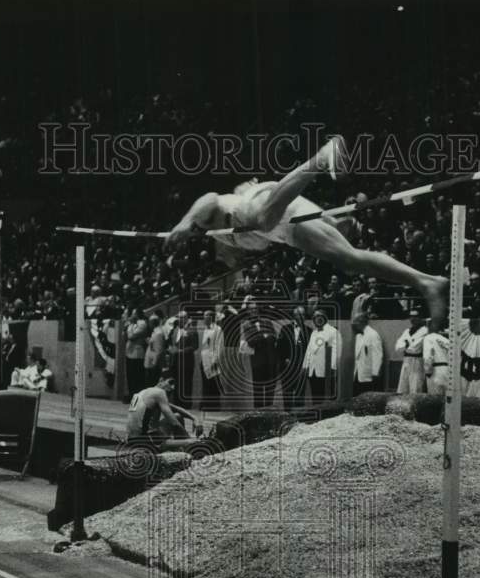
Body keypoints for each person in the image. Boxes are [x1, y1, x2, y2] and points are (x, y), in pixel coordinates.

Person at [165, 136, 449, 329]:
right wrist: (240, 252)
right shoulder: (229, 241)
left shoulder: (205, 220)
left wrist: (182, 224)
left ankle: (322, 157)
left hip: (260, 206)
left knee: (263, 220)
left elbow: (210, 197)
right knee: (350, 261)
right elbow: (257, 246)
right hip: (283, 225)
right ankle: (426, 282)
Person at [126, 375, 202, 452]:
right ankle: (186, 450)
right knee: (191, 442)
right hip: (146, 441)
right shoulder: (159, 392)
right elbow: (174, 423)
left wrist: (194, 418)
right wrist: (189, 440)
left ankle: (180, 448)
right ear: (161, 380)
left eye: (174, 385)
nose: (172, 387)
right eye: (171, 382)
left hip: (131, 439)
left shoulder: (144, 392)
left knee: (178, 416)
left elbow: (176, 408)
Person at [276, 306, 311, 410]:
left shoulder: (309, 331)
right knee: (286, 394)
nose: (300, 317)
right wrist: (285, 358)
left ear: (305, 317)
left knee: (300, 394)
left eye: (302, 315)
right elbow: (279, 347)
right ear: (294, 316)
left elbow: (310, 351)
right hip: (287, 368)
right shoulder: (285, 329)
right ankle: (287, 417)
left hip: (301, 368)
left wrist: (305, 365)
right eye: (297, 315)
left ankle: (299, 419)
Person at [302, 309, 339, 403]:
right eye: (314, 317)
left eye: (319, 316)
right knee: (315, 396)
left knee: (327, 397)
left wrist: (332, 367)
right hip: (313, 369)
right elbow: (309, 350)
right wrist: (305, 366)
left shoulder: (332, 331)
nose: (316, 319)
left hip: (325, 369)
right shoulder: (314, 332)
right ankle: (318, 417)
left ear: (324, 318)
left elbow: (335, 351)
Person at [245, 316, 278, 408]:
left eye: (255, 309)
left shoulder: (267, 321)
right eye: (251, 310)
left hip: (270, 361)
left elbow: (274, 337)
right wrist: (264, 337)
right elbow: (250, 341)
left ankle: (269, 413)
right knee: (258, 391)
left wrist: (260, 339)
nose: (253, 312)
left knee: (270, 390)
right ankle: (258, 415)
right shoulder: (247, 325)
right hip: (257, 362)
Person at [394, 310, 429, 394]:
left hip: (417, 361)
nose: (413, 319)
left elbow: (415, 348)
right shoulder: (407, 331)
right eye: (411, 316)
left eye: (415, 316)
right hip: (406, 361)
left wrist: (406, 343)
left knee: (415, 388)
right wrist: (408, 343)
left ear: (420, 318)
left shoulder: (425, 331)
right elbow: (398, 348)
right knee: (403, 388)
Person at [351, 312, 383, 396]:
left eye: (356, 322)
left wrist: (375, 372)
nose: (354, 325)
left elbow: (378, 355)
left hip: (369, 375)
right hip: (358, 373)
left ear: (362, 322)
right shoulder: (358, 336)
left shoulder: (373, 335)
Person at [198, 309, 224, 409]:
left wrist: (214, 361)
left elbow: (219, 346)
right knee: (205, 383)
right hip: (204, 360)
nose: (204, 318)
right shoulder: (205, 329)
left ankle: (214, 405)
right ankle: (206, 404)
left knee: (213, 384)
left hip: (213, 361)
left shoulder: (218, 330)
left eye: (206, 316)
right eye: (204, 316)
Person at [123, 306, 149, 400]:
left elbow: (131, 336)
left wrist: (128, 327)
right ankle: (131, 395)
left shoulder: (142, 323)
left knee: (137, 376)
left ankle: (138, 396)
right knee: (130, 375)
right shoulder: (132, 324)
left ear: (138, 314)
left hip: (137, 353)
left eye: (134, 313)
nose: (131, 315)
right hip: (129, 352)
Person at [422, 325, 450, 396]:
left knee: (434, 402)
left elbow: (428, 357)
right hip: (448, 372)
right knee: (447, 402)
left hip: (435, 372)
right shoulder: (447, 341)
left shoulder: (428, 338)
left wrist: (428, 372)